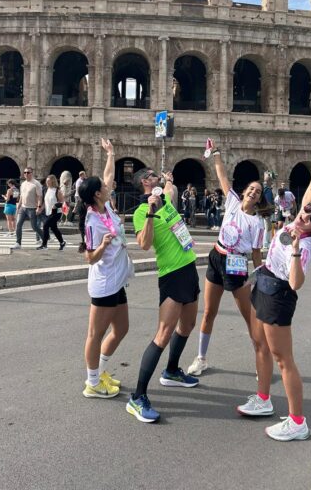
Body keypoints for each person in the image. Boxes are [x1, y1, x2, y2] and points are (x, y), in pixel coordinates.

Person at [237, 159, 311, 441]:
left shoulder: (305, 244)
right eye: (306, 212)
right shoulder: (297, 221)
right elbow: (307, 199)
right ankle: (264, 398)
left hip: (279, 295)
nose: (306, 217)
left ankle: (297, 421)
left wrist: (293, 250)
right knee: (260, 346)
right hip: (264, 284)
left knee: (283, 359)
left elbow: (295, 283)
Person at [126, 167, 200, 423]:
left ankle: (171, 372)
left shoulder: (167, 199)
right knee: (163, 335)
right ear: (145, 182)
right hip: (171, 274)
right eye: (153, 174)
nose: (157, 175)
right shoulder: (139, 212)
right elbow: (144, 244)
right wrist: (149, 211)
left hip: (189, 267)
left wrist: (168, 181)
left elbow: (169, 188)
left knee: (188, 325)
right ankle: (138, 397)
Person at [187, 140, 265, 377]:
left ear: (259, 199)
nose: (253, 192)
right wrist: (217, 155)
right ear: (244, 192)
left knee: (248, 315)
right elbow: (221, 175)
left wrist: (258, 275)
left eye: (258, 192)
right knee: (209, 312)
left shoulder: (258, 222)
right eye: (251, 189)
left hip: (238, 263)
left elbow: (255, 253)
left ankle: (261, 359)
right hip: (217, 255)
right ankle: (201, 358)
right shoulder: (231, 200)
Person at [79, 139, 132, 399]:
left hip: (117, 279)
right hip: (104, 283)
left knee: (122, 329)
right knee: (95, 334)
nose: (107, 185)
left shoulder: (106, 206)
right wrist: (102, 245)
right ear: (97, 194)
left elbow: (109, 176)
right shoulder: (92, 220)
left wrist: (111, 153)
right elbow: (90, 257)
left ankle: (99, 371)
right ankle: (92, 383)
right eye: (103, 187)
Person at [11, 167, 43, 250]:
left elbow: (40, 196)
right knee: (18, 224)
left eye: (28, 172)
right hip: (23, 207)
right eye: (25, 172)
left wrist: (39, 207)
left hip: (32, 208)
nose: (26, 174)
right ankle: (18, 243)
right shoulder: (23, 183)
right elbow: (22, 195)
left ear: (32, 173)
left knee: (34, 227)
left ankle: (45, 238)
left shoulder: (36, 183)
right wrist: (19, 205)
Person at [39, 175, 66, 251]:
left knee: (45, 226)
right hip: (48, 212)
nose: (47, 182)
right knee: (54, 228)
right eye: (46, 181)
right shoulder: (47, 190)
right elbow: (45, 202)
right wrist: (41, 209)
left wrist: (56, 205)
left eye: (48, 181)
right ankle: (62, 242)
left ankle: (44, 245)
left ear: (53, 181)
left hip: (56, 212)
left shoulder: (57, 191)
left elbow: (63, 202)